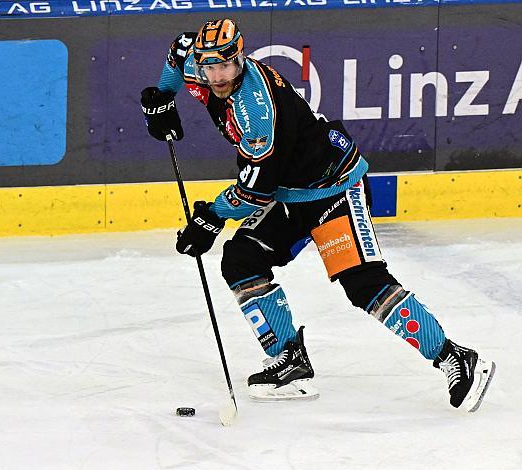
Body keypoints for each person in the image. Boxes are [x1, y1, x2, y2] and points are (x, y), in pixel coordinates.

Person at [140, 18, 496, 410]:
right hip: (290, 191)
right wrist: (162, 97)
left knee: (362, 283)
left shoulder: (257, 111)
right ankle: (289, 358)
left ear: (240, 57)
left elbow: (255, 190)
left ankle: (455, 357)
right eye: (211, 68)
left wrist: (211, 216)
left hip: (332, 187)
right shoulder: (197, 59)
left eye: (226, 65)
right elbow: (177, 52)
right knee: (241, 260)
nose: (219, 75)